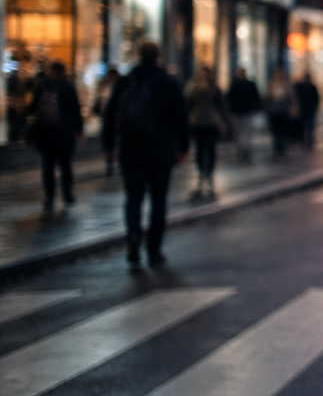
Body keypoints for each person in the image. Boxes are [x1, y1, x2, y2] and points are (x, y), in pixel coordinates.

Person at [102, 42, 189, 267]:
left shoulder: (124, 82)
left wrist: (108, 146)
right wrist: (183, 147)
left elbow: (110, 114)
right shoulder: (168, 83)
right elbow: (181, 118)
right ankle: (154, 248)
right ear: (159, 57)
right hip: (160, 152)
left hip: (131, 151)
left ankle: (133, 233)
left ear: (139, 56)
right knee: (158, 201)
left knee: (133, 197)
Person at [28, 61, 83, 216]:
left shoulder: (41, 86)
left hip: (46, 135)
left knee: (48, 167)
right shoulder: (68, 87)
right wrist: (79, 129)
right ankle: (67, 195)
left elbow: (32, 108)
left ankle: (49, 197)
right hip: (64, 135)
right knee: (65, 166)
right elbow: (76, 110)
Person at [185, 66, 228, 198]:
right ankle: (201, 174)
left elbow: (221, 106)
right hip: (197, 122)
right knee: (199, 150)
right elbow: (188, 104)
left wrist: (223, 121)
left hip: (211, 122)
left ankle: (208, 175)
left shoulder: (215, 88)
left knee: (210, 150)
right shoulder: (193, 87)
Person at [226, 67, 262, 161]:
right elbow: (230, 98)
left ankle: (245, 150)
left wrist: (255, 108)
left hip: (246, 111)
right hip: (237, 112)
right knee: (238, 132)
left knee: (245, 132)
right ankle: (241, 149)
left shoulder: (249, 84)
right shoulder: (235, 84)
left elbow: (255, 97)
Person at [93, 66, 121, 175]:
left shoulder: (109, 88)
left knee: (112, 141)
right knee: (112, 142)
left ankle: (111, 163)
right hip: (111, 119)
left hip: (112, 120)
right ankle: (111, 163)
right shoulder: (110, 88)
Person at [266, 67, 293, 156]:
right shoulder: (271, 85)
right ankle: (276, 147)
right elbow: (267, 97)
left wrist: (292, 107)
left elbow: (291, 97)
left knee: (283, 130)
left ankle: (282, 147)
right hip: (274, 111)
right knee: (275, 130)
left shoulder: (287, 85)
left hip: (283, 110)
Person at [293, 72, 320, 150]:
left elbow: (316, 98)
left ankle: (309, 141)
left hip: (309, 110)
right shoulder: (300, 87)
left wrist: (315, 107)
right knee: (304, 126)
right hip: (303, 110)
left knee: (310, 126)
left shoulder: (312, 87)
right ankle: (304, 141)